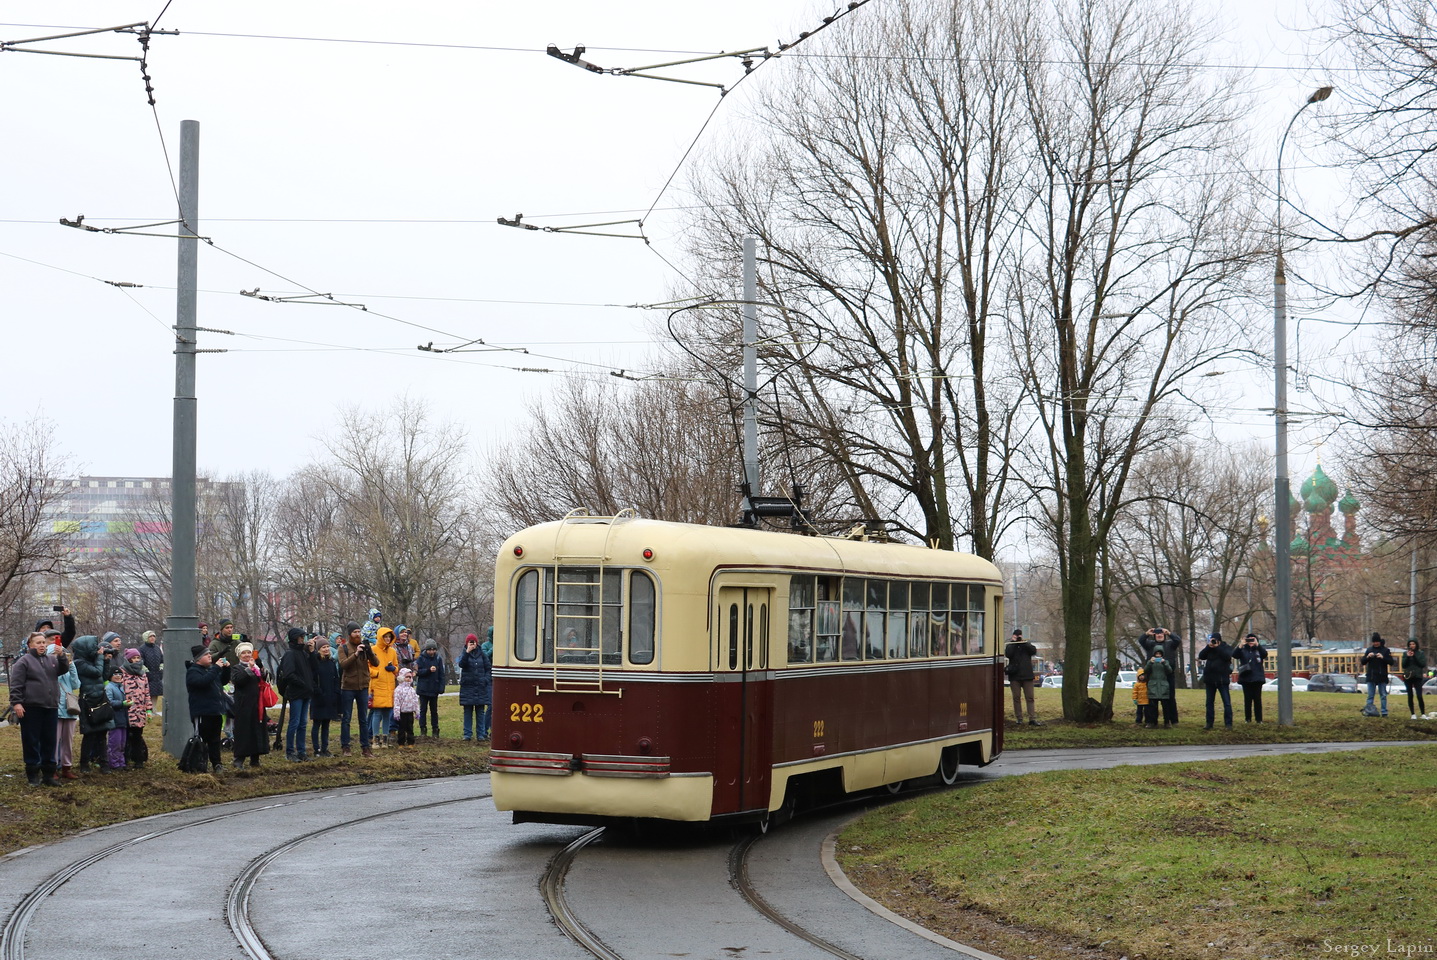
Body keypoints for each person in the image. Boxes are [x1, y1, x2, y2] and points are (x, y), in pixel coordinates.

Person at [8, 631, 70, 786]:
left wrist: (61, 655)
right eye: (38, 642)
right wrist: (17, 703)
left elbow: (63, 670)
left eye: (43, 642)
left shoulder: (51, 660)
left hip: (50, 706)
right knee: (31, 740)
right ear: (30, 645)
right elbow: (16, 685)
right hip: (31, 707)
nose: (42, 645)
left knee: (49, 740)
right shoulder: (23, 662)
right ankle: (33, 774)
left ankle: (48, 774)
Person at [186, 644, 229, 774]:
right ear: (198, 658)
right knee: (201, 739)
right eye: (206, 654)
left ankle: (217, 764)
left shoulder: (211, 670)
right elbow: (203, 682)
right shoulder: (193, 671)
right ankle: (199, 764)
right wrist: (216, 668)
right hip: (202, 712)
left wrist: (227, 669)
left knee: (215, 740)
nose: (210, 656)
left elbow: (223, 681)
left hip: (215, 711)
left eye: (210, 653)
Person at [71, 635, 110, 774]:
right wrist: (100, 658)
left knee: (102, 733)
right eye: (94, 647)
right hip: (88, 701)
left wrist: (106, 662)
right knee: (90, 734)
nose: (97, 649)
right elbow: (96, 672)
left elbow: (104, 676)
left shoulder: (93, 660)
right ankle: (84, 764)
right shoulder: (79, 663)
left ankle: (104, 763)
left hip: (100, 698)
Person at [276, 627, 316, 762]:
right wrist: (303, 683)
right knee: (295, 722)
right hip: (296, 693)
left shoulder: (304, 653)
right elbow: (288, 674)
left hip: (306, 692)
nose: (303, 639)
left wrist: (312, 653)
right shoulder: (290, 654)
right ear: (295, 638)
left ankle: (301, 751)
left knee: (303, 723)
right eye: (301, 637)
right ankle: (290, 752)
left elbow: (313, 669)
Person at [338, 622, 377, 757]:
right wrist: (356, 654)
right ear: (349, 635)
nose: (357, 635)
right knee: (346, 718)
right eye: (355, 632)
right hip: (348, 687)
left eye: (359, 632)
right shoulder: (343, 648)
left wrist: (369, 651)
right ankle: (345, 746)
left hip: (363, 687)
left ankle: (365, 747)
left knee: (363, 719)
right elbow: (343, 664)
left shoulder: (365, 647)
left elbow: (376, 663)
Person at [229, 642, 270, 769]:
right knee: (243, 731)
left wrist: (262, 671)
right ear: (239, 655)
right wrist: (249, 669)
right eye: (244, 653)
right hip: (243, 705)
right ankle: (239, 759)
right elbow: (238, 680)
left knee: (257, 730)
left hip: (257, 704)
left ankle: (255, 758)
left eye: (248, 652)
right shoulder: (237, 668)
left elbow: (263, 680)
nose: (246, 655)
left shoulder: (257, 667)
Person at [1138, 628, 1183, 724]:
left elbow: (1178, 640)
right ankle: (1152, 720)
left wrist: (1169, 633)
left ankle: (1172, 720)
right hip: (1153, 675)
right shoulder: (1150, 644)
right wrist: (1146, 634)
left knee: (1170, 698)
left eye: (1161, 634)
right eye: (1157, 634)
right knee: (1152, 698)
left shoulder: (1170, 644)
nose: (1159, 635)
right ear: (1154, 635)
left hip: (1168, 674)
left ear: (1164, 635)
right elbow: (1141, 640)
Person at [120, 648, 153, 768]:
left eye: (138, 658)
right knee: (126, 735)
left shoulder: (142, 673)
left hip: (139, 711)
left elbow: (147, 692)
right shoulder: (122, 672)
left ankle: (138, 760)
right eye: (133, 658)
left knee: (137, 736)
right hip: (126, 710)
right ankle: (124, 758)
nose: (136, 660)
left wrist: (148, 709)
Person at [368, 627, 400, 746]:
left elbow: (397, 666)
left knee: (387, 713)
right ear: (381, 637)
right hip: (377, 685)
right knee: (377, 713)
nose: (387, 639)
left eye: (389, 637)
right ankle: (375, 739)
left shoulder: (392, 651)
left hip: (389, 685)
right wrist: (376, 673)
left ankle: (385, 739)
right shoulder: (373, 650)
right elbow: (367, 667)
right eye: (385, 637)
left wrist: (394, 669)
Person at [55, 638, 81, 779]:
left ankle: (66, 767)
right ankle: (52, 768)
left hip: (69, 709)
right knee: (54, 741)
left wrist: (71, 666)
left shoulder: (69, 669)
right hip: (56, 710)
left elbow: (76, 684)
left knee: (68, 741)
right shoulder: (51, 668)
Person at [1198, 632, 1236, 729]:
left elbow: (1227, 656)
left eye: (1214, 640)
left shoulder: (1226, 647)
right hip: (1210, 679)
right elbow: (1201, 656)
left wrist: (1217, 647)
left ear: (1219, 640)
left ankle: (1228, 723)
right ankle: (1209, 723)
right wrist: (1208, 647)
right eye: (1211, 640)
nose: (1213, 642)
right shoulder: (1209, 649)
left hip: (1222, 679)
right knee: (1209, 703)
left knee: (1226, 702)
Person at [310, 637, 341, 757]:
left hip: (330, 697)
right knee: (317, 724)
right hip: (318, 698)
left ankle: (325, 748)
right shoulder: (315, 663)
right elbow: (312, 680)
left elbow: (336, 678)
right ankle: (316, 749)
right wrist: (318, 693)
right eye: (323, 647)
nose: (326, 649)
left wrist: (336, 693)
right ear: (318, 649)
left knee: (326, 725)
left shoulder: (331, 662)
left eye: (327, 646)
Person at [1003, 628, 1040, 726]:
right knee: (1016, 698)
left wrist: (1024, 642)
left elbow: (1033, 651)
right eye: (1016, 635)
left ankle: (1032, 718)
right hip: (1015, 676)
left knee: (1030, 698)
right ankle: (1019, 718)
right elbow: (1008, 654)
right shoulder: (1011, 646)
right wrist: (1014, 642)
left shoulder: (1026, 645)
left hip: (1027, 675)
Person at [1233, 633, 1269, 723]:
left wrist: (1258, 645)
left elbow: (1264, 654)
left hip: (1257, 678)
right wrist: (1241, 645)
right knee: (1247, 700)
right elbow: (1234, 655)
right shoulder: (1243, 650)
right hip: (1246, 678)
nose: (1251, 642)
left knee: (1257, 700)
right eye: (1249, 640)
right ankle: (1247, 719)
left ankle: (1259, 719)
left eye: (1253, 640)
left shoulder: (1258, 650)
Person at [457, 633, 487, 741]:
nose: (472, 644)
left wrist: (485, 680)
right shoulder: (464, 653)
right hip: (467, 687)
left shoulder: (482, 654)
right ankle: (467, 734)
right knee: (468, 711)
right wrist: (467, 652)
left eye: (473, 642)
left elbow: (487, 668)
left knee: (480, 711)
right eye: (470, 642)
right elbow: (461, 664)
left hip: (480, 687)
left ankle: (481, 734)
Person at [415, 638, 445, 739]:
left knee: (434, 710)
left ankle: (435, 729)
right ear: (426, 650)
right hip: (423, 689)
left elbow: (441, 674)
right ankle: (423, 729)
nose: (432, 652)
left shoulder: (438, 659)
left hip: (434, 689)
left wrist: (441, 687)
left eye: (433, 650)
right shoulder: (421, 658)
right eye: (430, 650)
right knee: (423, 710)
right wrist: (428, 670)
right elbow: (418, 672)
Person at [1360, 633, 1396, 717]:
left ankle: (1384, 712)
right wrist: (1368, 657)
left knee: (1383, 695)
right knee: (1370, 695)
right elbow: (1363, 662)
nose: (1375, 643)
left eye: (1377, 642)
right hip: (1371, 676)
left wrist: (1383, 657)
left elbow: (1391, 662)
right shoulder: (1369, 650)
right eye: (1374, 642)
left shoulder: (1385, 650)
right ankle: (1369, 711)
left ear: (1380, 642)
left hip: (1382, 676)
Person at [104, 664, 130, 770]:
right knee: (115, 743)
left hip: (123, 719)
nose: (118, 676)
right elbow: (109, 702)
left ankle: (121, 762)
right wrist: (122, 703)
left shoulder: (121, 687)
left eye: (120, 674)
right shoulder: (109, 687)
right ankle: (114, 763)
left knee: (122, 743)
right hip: (114, 720)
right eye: (115, 674)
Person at [1141, 646, 1174, 728]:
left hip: (1163, 686)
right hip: (1153, 686)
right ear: (1154, 654)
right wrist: (1150, 663)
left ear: (1162, 654)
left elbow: (1170, 671)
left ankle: (1167, 722)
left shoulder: (1165, 662)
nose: (1158, 655)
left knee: (1166, 706)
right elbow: (1145, 671)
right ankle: (1152, 722)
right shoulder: (1150, 662)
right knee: (1152, 706)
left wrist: (1164, 663)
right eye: (1157, 653)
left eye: (1160, 654)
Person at [1400, 639, 1428, 720]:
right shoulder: (1405, 654)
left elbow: (1422, 664)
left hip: (1417, 676)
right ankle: (1412, 713)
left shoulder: (1420, 653)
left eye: (1413, 644)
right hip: (1408, 676)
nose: (1412, 645)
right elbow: (1403, 665)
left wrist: (1414, 656)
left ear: (1416, 645)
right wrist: (1408, 657)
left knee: (1419, 695)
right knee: (1410, 695)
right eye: (1410, 644)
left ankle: (1423, 713)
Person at [392, 668, 419, 747]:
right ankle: (401, 743)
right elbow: (396, 702)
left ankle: (411, 742)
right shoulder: (398, 690)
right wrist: (396, 713)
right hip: (402, 713)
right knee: (401, 729)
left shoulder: (412, 690)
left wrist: (417, 711)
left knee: (410, 728)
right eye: (407, 677)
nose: (408, 679)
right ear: (402, 677)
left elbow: (415, 701)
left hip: (410, 712)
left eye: (410, 677)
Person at [139, 630, 164, 715]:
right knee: (147, 693)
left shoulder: (157, 648)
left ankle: (154, 709)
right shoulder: (142, 649)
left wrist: (161, 668)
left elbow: (162, 659)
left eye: (154, 636)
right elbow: (140, 661)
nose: (153, 638)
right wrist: (146, 671)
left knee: (155, 693)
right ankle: (147, 710)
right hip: (148, 674)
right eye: (150, 636)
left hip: (157, 674)